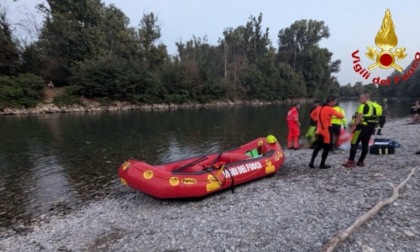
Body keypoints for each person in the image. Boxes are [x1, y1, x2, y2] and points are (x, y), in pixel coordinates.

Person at [308, 96, 344, 169]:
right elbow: (341, 116)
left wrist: (317, 120)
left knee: (317, 147)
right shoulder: (330, 109)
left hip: (319, 130)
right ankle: (322, 164)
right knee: (326, 148)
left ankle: (311, 162)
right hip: (326, 131)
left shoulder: (318, 108)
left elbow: (311, 115)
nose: (335, 103)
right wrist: (335, 116)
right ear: (331, 102)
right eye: (334, 101)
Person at [343, 93, 377, 168]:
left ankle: (351, 162)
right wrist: (374, 128)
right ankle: (361, 162)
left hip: (362, 127)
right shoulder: (374, 106)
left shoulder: (362, 106)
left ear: (367, 98)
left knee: (354, 143)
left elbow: (359, 118)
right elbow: (374, 118)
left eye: (361, 98)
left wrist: (353, 126)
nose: (360, 100)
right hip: (370, 127)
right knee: (365, 144)